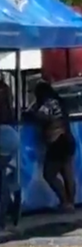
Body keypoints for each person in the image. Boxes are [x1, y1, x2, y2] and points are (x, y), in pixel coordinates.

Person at [28, 82, 76, 212]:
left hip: (57, 141)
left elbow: (41, 116)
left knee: (49, 174)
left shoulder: (48, 103)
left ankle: (65, 201)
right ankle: (71, 203)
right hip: (68, 139)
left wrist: (30, 113)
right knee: (67, 173)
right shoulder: (59, 102)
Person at [0, 78, 19, 229]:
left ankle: (2, 218)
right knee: (3, 177)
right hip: (11, 133)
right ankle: (14, 198)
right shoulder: (5, 89)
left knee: (1, 182)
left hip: (1, 135)